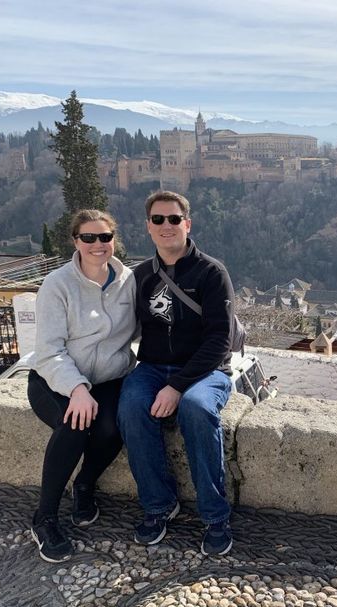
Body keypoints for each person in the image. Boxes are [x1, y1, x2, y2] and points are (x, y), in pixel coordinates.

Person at [117, 190, 235, 556]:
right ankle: (158, 505)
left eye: (173, 218)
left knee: (196, 409)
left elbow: (220, 340)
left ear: (187, 224)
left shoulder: (212, 273)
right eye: (158, 219)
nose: (166, 225)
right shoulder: (140, 276)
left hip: (206, 370)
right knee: (131, 407)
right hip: (153, 366)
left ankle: (215, 515)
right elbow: (119, 327)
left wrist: (177, 387)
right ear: (148, 227)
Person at [27, 209, 137, 563]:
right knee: (75, 423)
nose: (97, 244)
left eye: (104, 237)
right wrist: (77, 388)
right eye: (88, 237)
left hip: (108, 379)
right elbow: (49, 351)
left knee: (115, 425)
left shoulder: (129, 281)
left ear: (114, 240)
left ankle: (85, 483)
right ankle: (44, 517)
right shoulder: (57, 285)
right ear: (76, 241)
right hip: (56, 379)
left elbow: (146, 327)